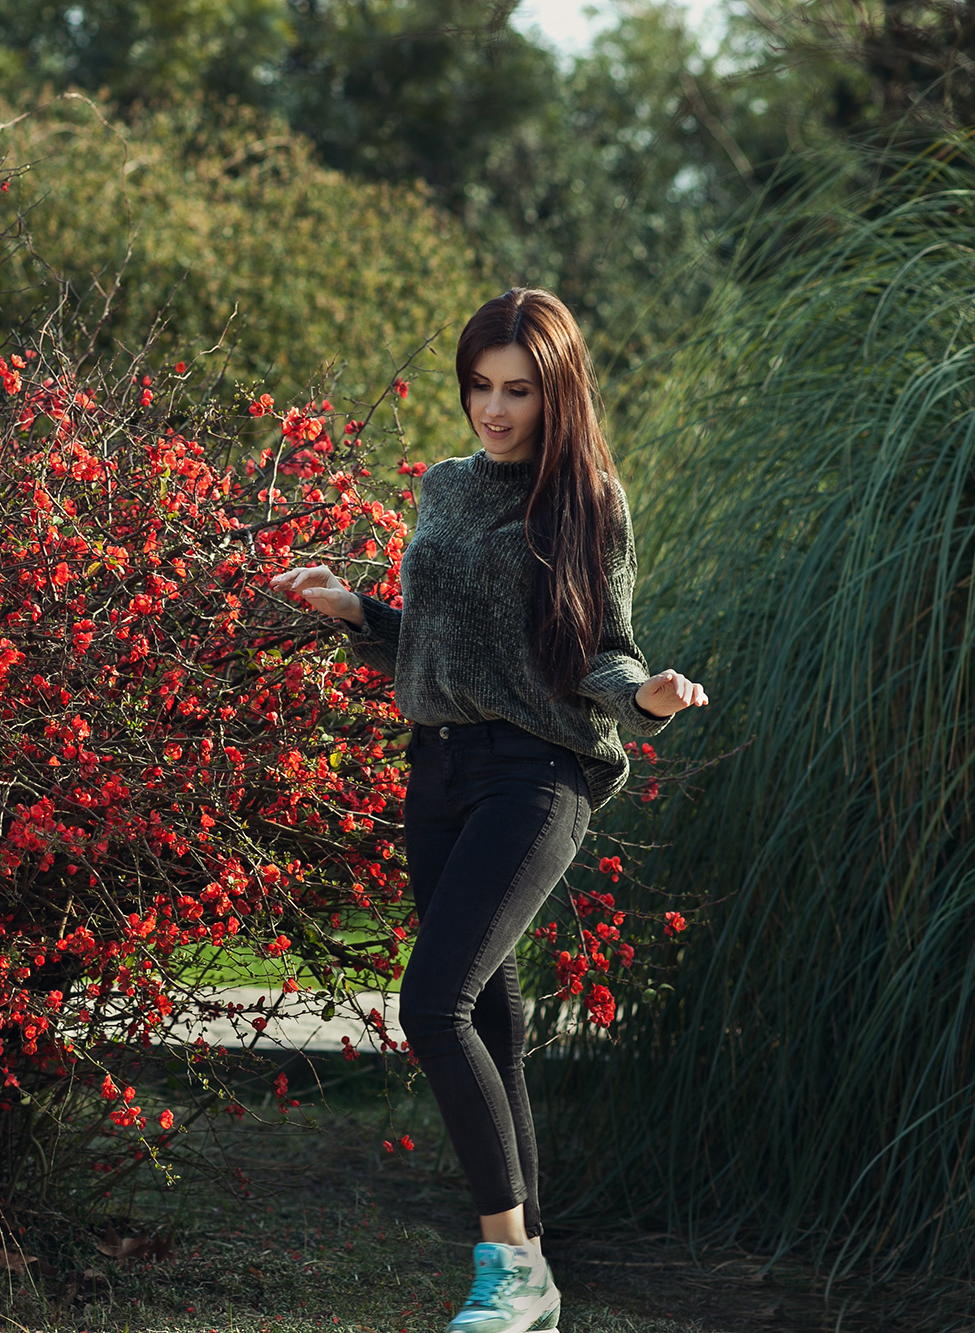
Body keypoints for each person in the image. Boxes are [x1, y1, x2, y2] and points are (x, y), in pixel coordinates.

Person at [270, 288, 707, 1333]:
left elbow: (601, 645)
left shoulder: (588, 501)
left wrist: (641, 698)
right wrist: (357, 614)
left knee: (433, 1004)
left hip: (539, 773)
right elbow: (442, 638)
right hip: (441, 768)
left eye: (517, 389)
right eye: (479, 386)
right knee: (493, 1021)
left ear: (555, 392)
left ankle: (505, 1266)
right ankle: (535, 1286)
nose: (494, 409)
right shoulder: (444, 486)